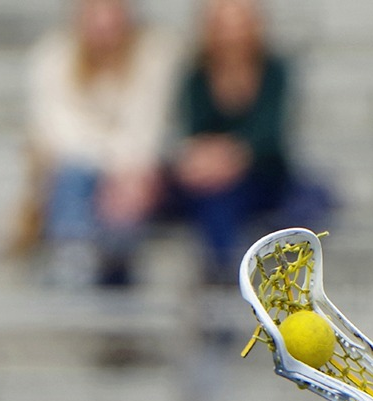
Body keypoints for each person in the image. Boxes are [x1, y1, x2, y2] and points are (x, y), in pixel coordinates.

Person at [165, 0, 327, 284]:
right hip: (213, 185)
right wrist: (211, 160)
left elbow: (269, 136)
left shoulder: (275, 71)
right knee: (213, 202)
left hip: (265, 179)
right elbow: (192, 134)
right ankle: (223, 278)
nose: (232, 36)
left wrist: (230, 157)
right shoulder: (196, 74)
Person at [22, 0, 177, 288]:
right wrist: (116, 167)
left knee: (125, 196)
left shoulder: (155, 56)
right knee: (74, 177)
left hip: (136, 181)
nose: (104, 23)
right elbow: (58, 134)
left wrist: (126, 172)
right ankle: (78, 261)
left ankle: (98, 267)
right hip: (83, 175)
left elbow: (151, 127)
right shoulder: (52, 57)